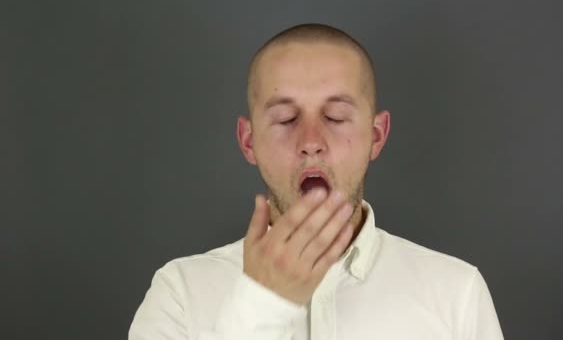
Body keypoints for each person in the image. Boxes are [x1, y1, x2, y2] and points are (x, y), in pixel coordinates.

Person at [129, 23, 504, 340]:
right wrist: (262, 302)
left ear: (376, 136)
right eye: (286, 119)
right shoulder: (179, 291)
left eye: (337, 117)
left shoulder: (458, 292)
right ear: (249, 141)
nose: (311, 142)